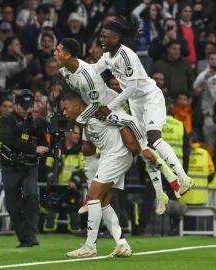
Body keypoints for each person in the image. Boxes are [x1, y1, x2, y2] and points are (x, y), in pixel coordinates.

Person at [54, 38, 183, 215]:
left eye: (58, 50)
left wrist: (80, 119)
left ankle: (170, 181)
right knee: (86, 149)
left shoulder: (87, 78)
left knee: (137, 146)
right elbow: (76, 93)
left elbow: (96, 103)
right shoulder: (64, 70)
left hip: (108, 107)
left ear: (67, 55)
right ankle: (91, 196)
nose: (54, 53)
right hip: (94, 111)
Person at [93, 19, 194, 195]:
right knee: (144, 148)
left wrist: (110, 106)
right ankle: (160, 194)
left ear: (116, 39)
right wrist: (73, 70)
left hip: (150, 97)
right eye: (101, 36)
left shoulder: (127, 55)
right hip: (135, 102)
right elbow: (93, 70)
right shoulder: (106, 57)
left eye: (105, 36)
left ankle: (183, 177)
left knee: (154, 137)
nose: (101, 39)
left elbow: (132, 87)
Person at [62, 91, 132, 258]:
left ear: (78, 106)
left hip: (116, 156)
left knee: (93, 196)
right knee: (103, 203)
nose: (64, 113)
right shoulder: (85, 121)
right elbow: (89, 149)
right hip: (111, 158)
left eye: (66, 108)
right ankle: (122, 244)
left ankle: (89, 246)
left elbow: (123, 122)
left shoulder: (99, 113)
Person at [0, 89, 49, 248]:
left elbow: (44, 143)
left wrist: (51, 148)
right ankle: (24, 238)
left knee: (32, 195)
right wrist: (33, 149)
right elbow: (8, 140)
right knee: (13, 205)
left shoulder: (36, 122)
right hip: (10, 166)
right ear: (16, 105)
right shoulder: (6, 120)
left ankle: (32, 234)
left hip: (30, 166)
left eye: (29, 106)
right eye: (24, 106)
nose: (27, 109)